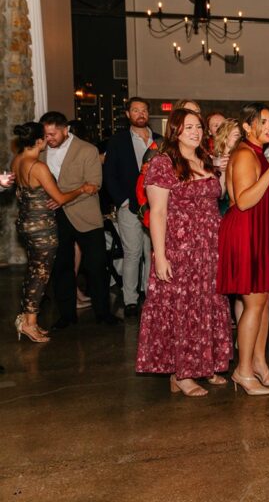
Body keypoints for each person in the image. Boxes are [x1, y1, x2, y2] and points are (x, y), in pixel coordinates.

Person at [136, 109, 233, 397]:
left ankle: (205, 364)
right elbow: (158, 212)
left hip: (209, 248)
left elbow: (220, 195)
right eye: (188, 127)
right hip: (180, 249)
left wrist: (223, 170)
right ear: (175, 131)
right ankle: (182, 373)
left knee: (206, 307)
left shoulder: (204, 160)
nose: (195, 131)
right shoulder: (163, 164)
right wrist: (161, 255)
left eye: (198, 127)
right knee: (184, 311)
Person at [217, 103, 269, 395]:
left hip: (261, 231)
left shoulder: (259, 153)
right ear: (248, 127)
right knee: (254, 305)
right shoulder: (246, 154)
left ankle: (259, 364)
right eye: (263, 122)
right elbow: (244, 201)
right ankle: (243, 371)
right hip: (247, 232)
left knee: (264, 303)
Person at [11, 122, 97, 342]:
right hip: (42, 229)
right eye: (45, 138)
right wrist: (82, 189)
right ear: (39, 141)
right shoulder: (37, 166)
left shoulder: (18, 160)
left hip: (26, 224)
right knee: (41, 276)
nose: (48, 141)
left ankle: (27, 319)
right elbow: (58, 199)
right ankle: (29, 324)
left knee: (33, 272)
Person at [40, 111, 120, 328]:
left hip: (86, 216)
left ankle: (103, 314)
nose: (49, 139)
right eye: (46, 135)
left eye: (53, 134)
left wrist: (62, 199)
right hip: (56, 217)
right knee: (62, 267)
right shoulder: (41, 152)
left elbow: (94, 185)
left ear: (66, 130)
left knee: (96, 266)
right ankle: (66, 315)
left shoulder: (87, 150)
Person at [103, 97, 161, 318]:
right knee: (132, 253)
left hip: (155, 206)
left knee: (152, 252)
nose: (140, 114)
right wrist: (123, 202)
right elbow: (109, 175)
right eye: (136, 110)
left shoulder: (159, 140)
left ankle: (150, 295)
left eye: (144, 110)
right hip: (130, 206)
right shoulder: (118, 141)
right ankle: (130, 300)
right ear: (128, 114)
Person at [211, 117, 243, 215]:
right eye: (236, 135)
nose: (240, 139)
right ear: (225, 138)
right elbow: (220, 195)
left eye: (241, 135)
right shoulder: (213, 161)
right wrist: (223, 171)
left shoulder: (241, 158)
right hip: (225, 212)